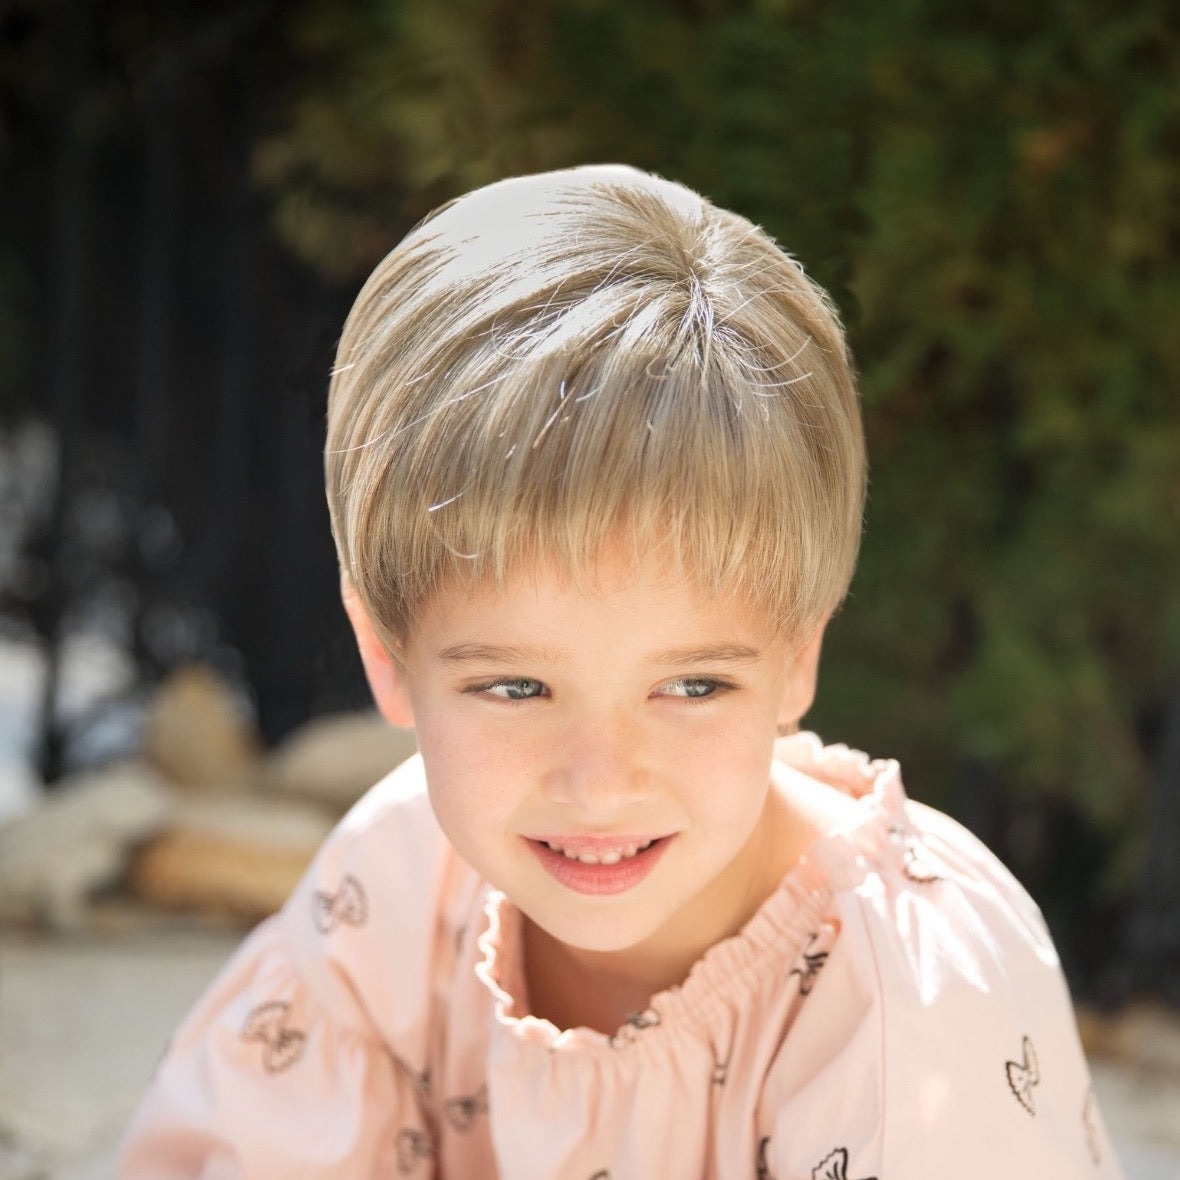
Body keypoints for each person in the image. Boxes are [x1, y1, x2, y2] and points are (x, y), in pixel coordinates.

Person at [119, 165, 1123, 1178]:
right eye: (516, 687)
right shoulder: (396, 887)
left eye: (691, 685)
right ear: (386, 653)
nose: (600, 780)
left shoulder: (909, 999)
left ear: (798, 653)